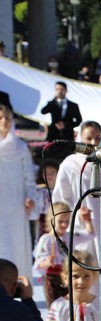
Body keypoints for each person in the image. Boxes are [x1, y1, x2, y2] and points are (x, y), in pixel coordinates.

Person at [53, 121, 101, 314]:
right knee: (86, 276)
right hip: (83, 233)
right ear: (79, 138)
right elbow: (60, 201)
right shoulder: (70, 165)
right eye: (89, 138)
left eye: (97, 138)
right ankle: (84, 319)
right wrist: (76, 213)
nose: (93, 143)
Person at [33, 202, 93, 308]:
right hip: (52, 279)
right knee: (56, 306)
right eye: (60, 221)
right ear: (52, 220)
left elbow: (89, 234)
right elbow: (37, 265)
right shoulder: (46, 240)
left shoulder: (69, 236)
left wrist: (88, 220)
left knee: (70, 306)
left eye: (67, 221)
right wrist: (47, 262)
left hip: (68, 277)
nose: (64, 225)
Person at [0, 105, 35, 277]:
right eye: (0, 118)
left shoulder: (20, 147)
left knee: (16, 245)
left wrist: (30, 197)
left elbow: (29, 176)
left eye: (7, 117)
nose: (4, 121)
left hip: (16, 205)